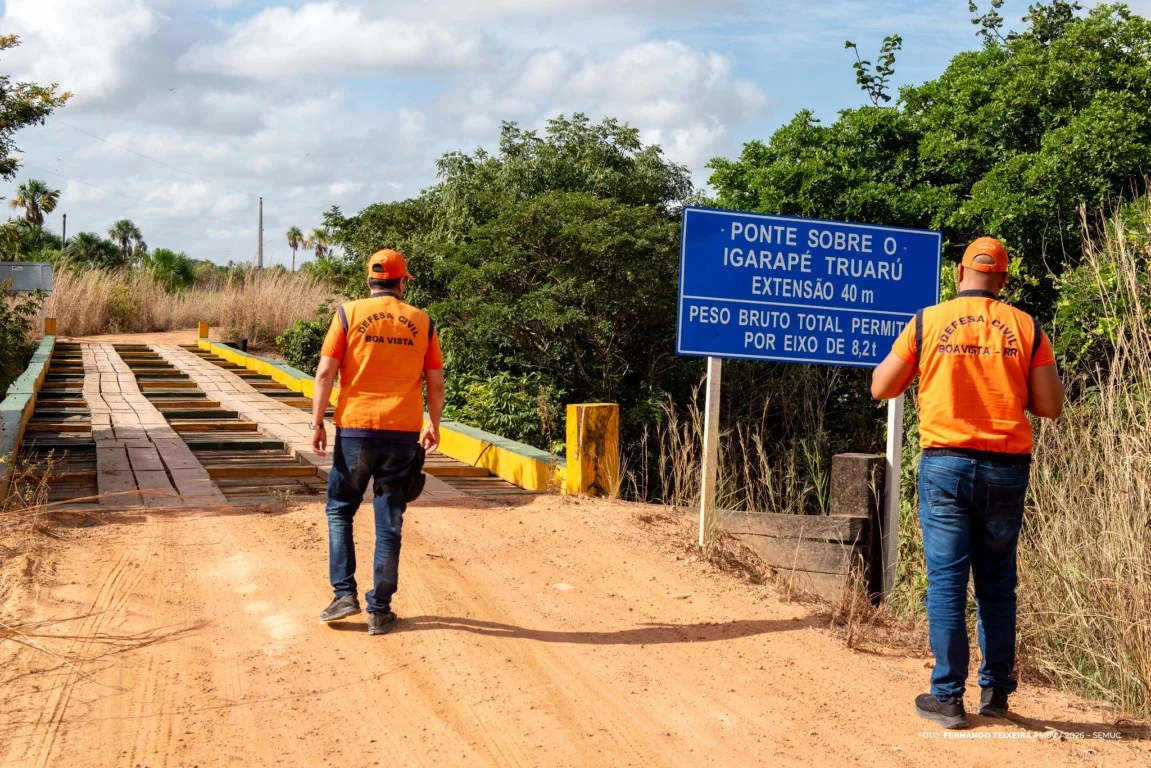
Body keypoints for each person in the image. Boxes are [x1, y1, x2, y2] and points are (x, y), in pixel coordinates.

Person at [871, 237, 1064, 729]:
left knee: (948, 583)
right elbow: (1049, 406)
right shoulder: (1027, 327)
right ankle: (996, 693)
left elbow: (882, 387)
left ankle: (948, 698)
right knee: (998, 584)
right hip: (1006, 470)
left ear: (960, 274)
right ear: (1002, 279)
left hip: (946, 466)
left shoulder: (925, 322)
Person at [311, 248, 445, 636]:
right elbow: (435, 383)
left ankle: (343, 595)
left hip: (353, 429)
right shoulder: (422, 321)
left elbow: (324, 374)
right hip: (402, 432)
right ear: (402, 283)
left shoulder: (346, 314)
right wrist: (433, 424)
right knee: (389, 519)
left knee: (340, 510)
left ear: (370, 281)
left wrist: (317, 422)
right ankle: (380, 609)